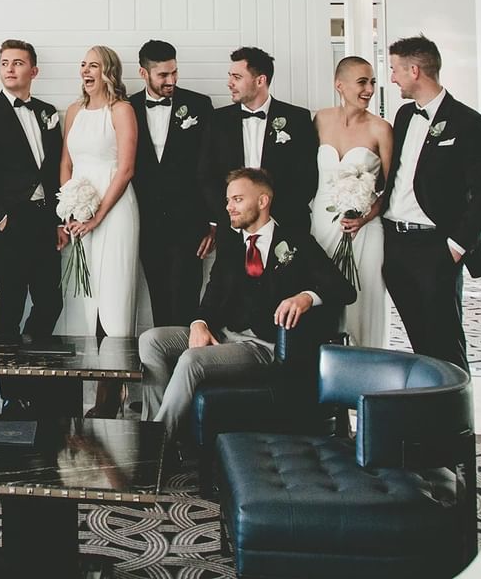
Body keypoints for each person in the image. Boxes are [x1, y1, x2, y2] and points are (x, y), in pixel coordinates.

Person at [139, 168, 356, 445]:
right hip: (225, 335)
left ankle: (155, 446)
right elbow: (212, 294)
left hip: (261, 346)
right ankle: (161, 431)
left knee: (191, 361)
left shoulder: (297, 241)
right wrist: (199, 325)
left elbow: (343, 289)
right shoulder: (230, 244)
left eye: (238, 199)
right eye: (228, 200)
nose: (229, 207)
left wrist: (306, 296)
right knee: (151, 341)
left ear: (263, 202)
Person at [381, 35, 481, 372]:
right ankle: (428, 419)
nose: (392, 78)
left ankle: (456, 424)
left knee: (445, 345)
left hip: (435, 247)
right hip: (396, 244)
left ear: (415, 70)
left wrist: (456, 246)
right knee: (419, 343)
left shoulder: (469, 123)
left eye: (395, 70)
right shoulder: (404, 116)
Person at [0, 39, 65, 416]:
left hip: (43, 220)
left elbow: (54, 173)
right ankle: (10, 390)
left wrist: (58, 219)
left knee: (50, 300)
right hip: (10, 224)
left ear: (33, 71)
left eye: (18, 63)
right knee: (10, 303)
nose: (10, 69)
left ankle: (35, 377)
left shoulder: (49, 113)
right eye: (4, 62)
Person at [57, 46, 139, 417]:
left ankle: (112, 393)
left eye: (93, 64)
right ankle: (81, 393)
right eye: (83, 64)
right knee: (80, 299)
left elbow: (125, 169)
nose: (85, 70)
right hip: (78, 213)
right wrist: (69, 209)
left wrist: (97, 216)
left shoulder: (121, 111)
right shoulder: (73, 111)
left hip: (116, 210)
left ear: (108, 71)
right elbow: (66, 163)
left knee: (115, 295)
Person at [128, 39, 216, 328]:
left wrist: (213, 222)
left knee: (187, 301)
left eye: (174, 72)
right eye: (163, 75)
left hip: (189, 223)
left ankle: (190, 367)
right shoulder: (127, 108)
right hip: (145, 222)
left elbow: (211, 165)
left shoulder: (199, 105)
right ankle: (165, 369)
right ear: (144, 73)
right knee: (158, 301)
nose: (171, 80)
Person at [311, 57, 393, 349]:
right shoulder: (320, 119)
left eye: (372, 82)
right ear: (340, 85)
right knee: (323, 292)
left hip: (365, 229)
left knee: (365, 297)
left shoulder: (381, 129)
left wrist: (366, 216)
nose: (369, 89)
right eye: (362, 82)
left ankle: (368, 360)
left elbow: (390, 188)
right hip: (321, 224)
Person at [199, 47, 318, 242]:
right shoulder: (217, 120)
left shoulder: (298, 119)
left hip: (286, 225)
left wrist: (270, 216)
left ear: (260, 80)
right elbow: (206, 174)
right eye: (230, 76)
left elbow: (307, 177)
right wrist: (230, 214)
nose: (229, 83)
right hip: (232, 228)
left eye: (237, 77)